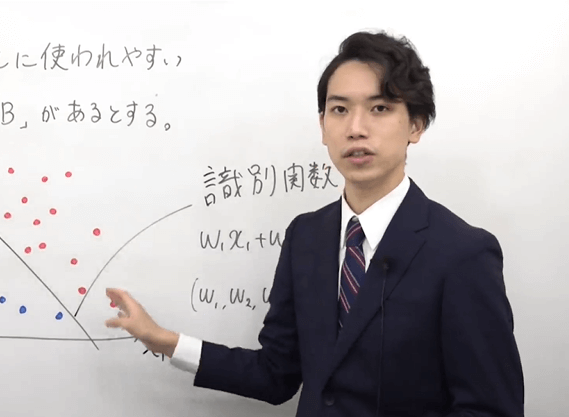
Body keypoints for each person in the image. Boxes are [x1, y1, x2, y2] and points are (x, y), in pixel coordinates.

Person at [104, 30, 524, 417]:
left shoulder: (462, 253)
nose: (355, 128)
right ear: (323, 126)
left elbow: (489, 409)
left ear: (416, 125)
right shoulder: (306, 236)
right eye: (339, 109)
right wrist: (164, 341)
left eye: (379, 108)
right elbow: (276, 374)